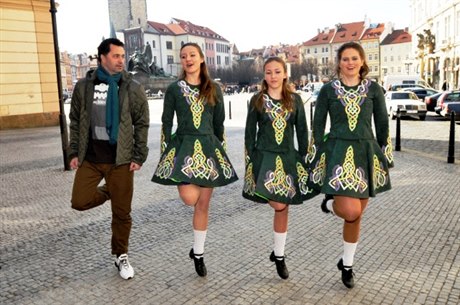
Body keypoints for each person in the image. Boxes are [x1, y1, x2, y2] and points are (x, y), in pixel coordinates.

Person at [306, 41, 393, 288]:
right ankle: (331, 202)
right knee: (351, 211)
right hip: (337, 152)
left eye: (355, 58)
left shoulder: (374, 89)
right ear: (339, 63)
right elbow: (318, 124)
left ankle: (347, 265)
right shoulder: (328, 90)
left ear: (362, 61)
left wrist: (384, 155)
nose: (350, 62)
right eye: (345, 59)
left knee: (356, 217)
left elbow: (383, 124)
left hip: (365, 153)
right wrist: (315, 155)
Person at [151, 42, 238, 277]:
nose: (187, 59)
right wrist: (167, 156)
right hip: (183, 148)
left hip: (209, 150)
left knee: (203, 205)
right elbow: (166, 121)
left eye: (192, 55)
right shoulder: (174, 89)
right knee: (190, 198)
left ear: (201, 59)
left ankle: (198, 253)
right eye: (183, 56)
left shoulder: (214, 89)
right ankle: (197, 250)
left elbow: (219, 123)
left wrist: (220, 152)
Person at [68, 38, 149, 280]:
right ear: (102, 57)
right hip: (91, 159)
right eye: (116, 56)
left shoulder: (132, 87)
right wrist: (73, 152)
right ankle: (112, 191)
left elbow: (141, 123)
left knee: (122, 214)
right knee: (79, 201)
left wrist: (138, 154)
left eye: (123, 56)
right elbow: (75, 121)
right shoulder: (83, 87)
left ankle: (120, 255)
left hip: (121, 160)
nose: (121, 60)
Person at [243, 57, 317, 280]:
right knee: (278, 203)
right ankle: (279, 252)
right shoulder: (256, 100)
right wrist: (251, 159)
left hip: (287, 158)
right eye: (268, 72)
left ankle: (280, 255)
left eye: (277, 72)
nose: (273, 76)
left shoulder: (294, 100)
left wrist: (304, 159)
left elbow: (302, 132)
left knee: (282, 206)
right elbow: (249, 133)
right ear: (264, 75)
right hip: (264, 157)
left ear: (285, 74)